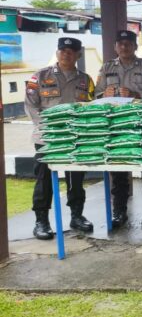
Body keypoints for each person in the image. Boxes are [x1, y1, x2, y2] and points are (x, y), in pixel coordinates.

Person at [25, 37, 95, 239]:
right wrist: (50, 129)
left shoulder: (86, 79)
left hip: (75, 138)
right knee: (44, 178)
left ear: (78, 55)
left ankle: (77, 216)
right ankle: (41, 221)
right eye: (63, 50)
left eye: (71, 51)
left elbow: (91, 107)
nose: (66, 53)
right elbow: (31, 106)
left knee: (76, 178)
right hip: (47, 138)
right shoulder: (39, 76)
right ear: (57, 53)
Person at [95, 30, 142, 229]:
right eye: (120, 43)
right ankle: (119, 211)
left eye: (128, 43)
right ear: (115, 47)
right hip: (116, 126)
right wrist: (103, 94)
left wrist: (135, 94)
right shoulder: (106, 68)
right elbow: (95, 95)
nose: (124, 47)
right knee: (118, 170)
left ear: (135, 46)